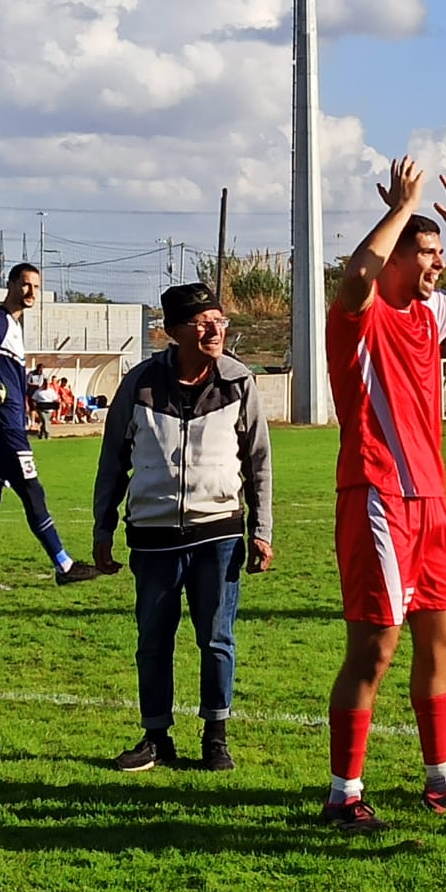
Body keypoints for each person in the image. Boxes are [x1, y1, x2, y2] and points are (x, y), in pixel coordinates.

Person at [320, 155, 446, 833]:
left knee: (444, 642)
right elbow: (354, 275)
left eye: (439, 252)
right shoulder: (360, 314)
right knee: (375, 646)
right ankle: (343, 792)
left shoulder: (432, 313)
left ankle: (443, 779)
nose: (437, 265)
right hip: (377, 494)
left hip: (432, 502)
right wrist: (402, 207)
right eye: (426, 253)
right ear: (397, 255)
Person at [94, 283, 274, 774]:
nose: (215, 330)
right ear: (174, 332)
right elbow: (113, 460)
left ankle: (216, 736)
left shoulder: (239, 383)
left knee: (216, 637)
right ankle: (156, 738)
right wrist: (102, 526)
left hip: (218, 532)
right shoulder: (139, 383)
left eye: (220, 321)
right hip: (152, 537)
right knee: (153, 638)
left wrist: (262, 528)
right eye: (202, 322)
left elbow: (258, 461)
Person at [0, 263, 102, 591]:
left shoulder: (10, 326)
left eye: (35, 287)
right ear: (10, 285)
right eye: (24, 285)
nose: (30, 292)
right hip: (4, 428)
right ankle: (64, 564)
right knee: (32, 491)